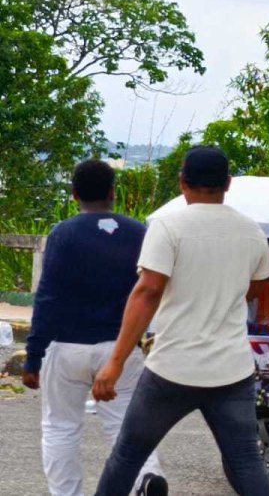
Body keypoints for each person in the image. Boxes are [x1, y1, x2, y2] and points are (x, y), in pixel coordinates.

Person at [92, 147, 269, 496]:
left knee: (128, 455)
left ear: (182, 183)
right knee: (245, 462)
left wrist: (115, 363)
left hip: (172, 370)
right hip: (231, 371)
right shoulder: (252, 232)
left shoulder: (168, 226)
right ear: (228, 184)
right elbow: (254, 289)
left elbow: (148, 292)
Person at [22, 160, 168, 496]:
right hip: (120, 349)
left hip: (67, 347)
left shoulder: (64, 234)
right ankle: (146, 477)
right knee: (124, 426)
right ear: (113, 192)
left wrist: (33, 355)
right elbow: (151, 290)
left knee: (60, 428)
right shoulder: (139, 233)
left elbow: (47, 297)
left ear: (74, 194)